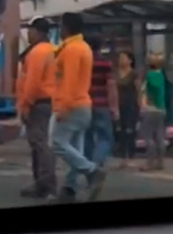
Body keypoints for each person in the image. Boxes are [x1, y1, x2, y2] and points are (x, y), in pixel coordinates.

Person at [51, 12, 106, 203]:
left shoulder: (73, 49)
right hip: (82, 104)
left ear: (65, 27)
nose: (58, 29)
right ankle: (69, 189)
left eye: (60, 25)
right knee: (74, 148)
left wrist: (63, 107)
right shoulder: (82, 47)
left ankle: (91, 170)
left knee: (57, 143)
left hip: (71, 104)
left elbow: (69, 81)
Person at [15, 16, 57, 199]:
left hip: (38, 103)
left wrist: (26, 104)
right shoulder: (54, 49)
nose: (28, 34)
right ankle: (41, 183)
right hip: (49, 102)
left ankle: (46, 185)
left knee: (40, 145)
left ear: (38, 32)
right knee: (41, 144)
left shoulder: (38, 52)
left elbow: (32, 83)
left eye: (30, 31)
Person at [84, 36, 119, 169]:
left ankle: (88, 167)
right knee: (105, 137)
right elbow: (111, 86)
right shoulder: (105, 64)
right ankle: (97, 162)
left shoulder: (83, 63)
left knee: (87, 138)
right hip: (102, 104)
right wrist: (114, 108)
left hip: (85, 104)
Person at [141, 53, 167, 172]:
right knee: (159, 136)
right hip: (161, 108)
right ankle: (160, 161)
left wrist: (143, 106)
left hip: (150, 109)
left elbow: (143, 92)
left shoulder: (148, 76)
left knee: (148, 136)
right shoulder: (161, 76)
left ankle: (149, 163)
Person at [116, 51, 142, 169]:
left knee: (130, 130)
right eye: (120, 58)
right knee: (120, 131)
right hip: (118, 104)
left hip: (131, 104)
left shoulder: (134, 74)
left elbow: (138, 90)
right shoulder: (115, 74)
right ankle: (122, 157)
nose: (121, 60)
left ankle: (130, 156)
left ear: (130, 60)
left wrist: (140, 104)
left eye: (123, 58)